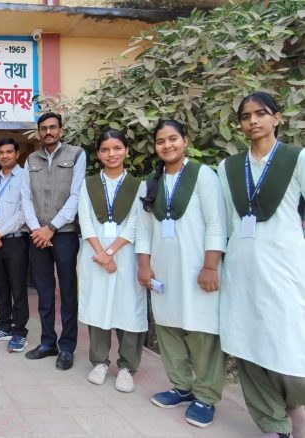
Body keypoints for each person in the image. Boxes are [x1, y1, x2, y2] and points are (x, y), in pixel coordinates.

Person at [217, 92, 305, 438]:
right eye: (245, 116)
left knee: (287, 337)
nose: (253, 121)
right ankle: (272, 422)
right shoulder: (229, 167)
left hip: (285, 264)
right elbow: (227, 220)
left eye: (261, 113)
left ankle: (294, 405)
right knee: (247, 340)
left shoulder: (296, 159)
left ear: (277, 118)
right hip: (241, 265)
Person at [136, 119, 227, 428]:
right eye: (160, 141)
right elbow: (144, 230)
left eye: (172, 139)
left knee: (202, 332)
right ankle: (181, 386)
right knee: (168, 328)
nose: (167, 145)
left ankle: (206, 396)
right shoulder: (151, 183)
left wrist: (210, 265)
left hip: (197, 269)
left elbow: (216, 223)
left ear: (185, 140)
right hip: (164, 269)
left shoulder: (203, 175)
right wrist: (144, 265)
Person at [77, 130, 147, 393]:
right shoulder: (89, 184)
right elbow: (85, 220)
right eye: (105, 149)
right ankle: (99, 362)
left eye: (117, 148)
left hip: (126, 255)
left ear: (126, 150)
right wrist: (101, 253)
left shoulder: (138, 185)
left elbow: (135, 224)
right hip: (94, 254)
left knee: (129, 308)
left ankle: (127, 367)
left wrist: (110, 252)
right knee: (98, 305)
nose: (112, 154)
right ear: (98, 154)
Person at [25, 112, 86, 371]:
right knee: (44, 292)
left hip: (65, 233)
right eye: (43, 128)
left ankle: (67, 347)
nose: (48, 132)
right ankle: (48, 342)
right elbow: (26, 197)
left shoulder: (76, 154)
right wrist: (37, 229)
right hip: (37, 234)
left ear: (61, 130)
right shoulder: (31, 159)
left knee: (68, 292)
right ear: (39, 132)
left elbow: (76, 195)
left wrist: (51, 228)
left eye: (52, 127)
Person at [0, 138, 39, 353]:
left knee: (18, 288)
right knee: (1, 286)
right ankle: (4, 326)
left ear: (17, 154)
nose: (4, 156)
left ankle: (19, 332)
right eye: (1, 152)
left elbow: (24, 212)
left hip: (15, 240)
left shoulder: (25, 177)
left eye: (9, 152)